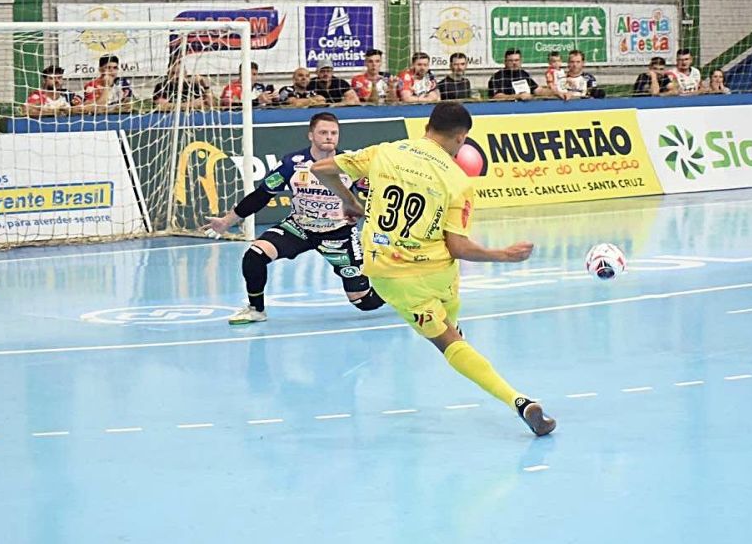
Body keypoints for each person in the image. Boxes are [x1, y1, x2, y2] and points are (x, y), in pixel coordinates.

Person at [310, 102, 556, 437]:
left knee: (449, 342)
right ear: (461, 137)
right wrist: (502, 255)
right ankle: (459, 332)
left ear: (428, 126)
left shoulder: (384, 152)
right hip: (442, 272)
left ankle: (519, 401)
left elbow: (322, 169)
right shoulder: (458, 180)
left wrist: (351, 201)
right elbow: (459, 248)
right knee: (451, 322)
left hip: (392, 277)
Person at [201, 112, 384, 324]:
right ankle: (255, 309)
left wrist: (361, 213)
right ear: (310, 135)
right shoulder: (292, 164)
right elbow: (262, 195)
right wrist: (226, 221)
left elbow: (375, 196)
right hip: (299, 228)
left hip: (338, 235)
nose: (329, 137)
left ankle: (400, 294)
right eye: (323, 132)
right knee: (254, 255)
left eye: (334, 133)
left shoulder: (349, 165)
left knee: (364, 302)